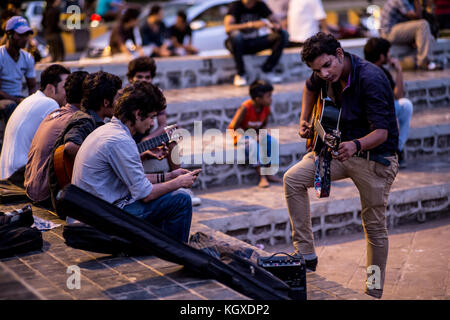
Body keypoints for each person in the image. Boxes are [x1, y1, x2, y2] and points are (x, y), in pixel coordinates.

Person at [283, 32, 399, 299]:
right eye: (317, 69)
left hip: (375, 159)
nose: (323, 74)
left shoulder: (371, 78)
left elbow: (382, 132)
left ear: (339, 54)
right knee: (293, 178)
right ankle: (306, 254)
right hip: (339, 154)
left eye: (327, 66)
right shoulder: (321, 75)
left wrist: (356, 145)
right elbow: (309, 87)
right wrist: (305, 120)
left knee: (375, 228)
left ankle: (373, 290)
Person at [72, 82, 200, 243]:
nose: (153, 124)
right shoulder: (119, 140)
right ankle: (176, 251)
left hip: (99, 211)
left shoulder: (109, 131)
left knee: (168, 194)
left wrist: (171, 175)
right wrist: (179, 182)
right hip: (103, 218)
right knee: (181, 199)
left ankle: (158, 243)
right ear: (138, 114)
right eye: (152, 117)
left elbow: (135, 179)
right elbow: (146, 195)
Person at [126, 57, 201, 206]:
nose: (144, 80)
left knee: (171, 138)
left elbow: (162, 125)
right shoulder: (124, 96)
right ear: (131, 78)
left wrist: (148, 140)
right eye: (139, 77)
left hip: (145, 138)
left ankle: (181, 186)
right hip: (128, 142)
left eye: (147, 77)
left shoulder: (156, 94)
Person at [47, 71, 122, 211]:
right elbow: (69, 147)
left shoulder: (93, 121)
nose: (118, 103)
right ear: (106, 102)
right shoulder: (84, 120)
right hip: (69, 200)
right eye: (117, 98)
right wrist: (97, 160)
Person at [24, 71, 89, 205]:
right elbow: (71, 149)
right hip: (46, 196)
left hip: (30, 188)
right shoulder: (76, 119)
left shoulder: (56, 113)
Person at [0, 64, 70, 182]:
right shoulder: (50, 103)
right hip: (19, 174)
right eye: (65, 87)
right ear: (50, 88)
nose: (68, 92)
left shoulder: (31, 99)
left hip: (7, 172)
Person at [364, 37, 413, 168]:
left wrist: (398, 72)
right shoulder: (374, 72)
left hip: (382, 111)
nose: (390, 56)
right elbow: (397, 95)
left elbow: (396, 96)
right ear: (382, 56)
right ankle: (396, 149)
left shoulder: (381, 70)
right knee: (405, 106)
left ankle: (397, 148)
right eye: (388, 52)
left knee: (404, 106)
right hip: (373, 115)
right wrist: (399, 70)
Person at [228, 79, 281, 188]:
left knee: (271, 141)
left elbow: (263, 125)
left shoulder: (266, 108)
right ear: (258, 99)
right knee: (253, 145)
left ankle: (269, 172)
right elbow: (233, 127)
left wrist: (261, 135)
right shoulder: (245, 108)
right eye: (269, 96)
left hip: (255, 135)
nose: (271, 99)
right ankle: (262, 176)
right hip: (241, 136)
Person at [224, 0, 289, 86]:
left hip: (254, 42)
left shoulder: (260, 5)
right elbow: (228, 28)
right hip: (238, 44)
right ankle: (241, 74)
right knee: (237, 36)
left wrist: (275, 26)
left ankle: (267, 70)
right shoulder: (236, 5)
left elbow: (276, 21)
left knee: (283, 34)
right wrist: (251, 25)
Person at [380, 0, 441, 71]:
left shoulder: (409, 2)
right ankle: (424, 62)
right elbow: (417, 16)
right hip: (388, 33)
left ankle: (423, 62)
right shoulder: (400, 0)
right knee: (423, 24)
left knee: (430, 37)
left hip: (396, 31)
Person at [0, 16, 37, 125]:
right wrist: (17, 100)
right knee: (10, 106)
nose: (25, 38)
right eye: (20, 35)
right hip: (5, 100)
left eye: (26, 34)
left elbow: (32, 87)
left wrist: (33, 102)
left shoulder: (28, 58)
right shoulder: (1, 56)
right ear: (9, 34)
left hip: (18, 99)